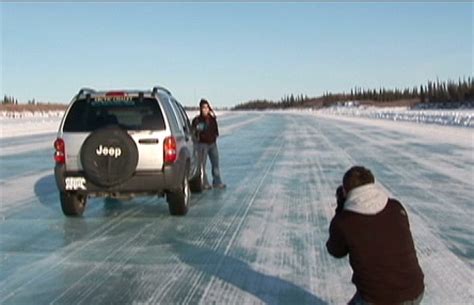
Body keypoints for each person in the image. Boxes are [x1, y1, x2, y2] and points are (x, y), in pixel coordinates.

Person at [326, 166, 424, 305]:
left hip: (378, 299)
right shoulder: (396, 206)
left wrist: (341, 211)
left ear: (346, 191)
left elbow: (335, 250)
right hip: (415, 291)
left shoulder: (344, 222)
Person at [192, 99, 226, 190]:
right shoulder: (197, 120)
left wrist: (214, 136)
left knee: (215, 164)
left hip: (212, 144)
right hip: (202, 145)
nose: (205, 110)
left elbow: (216, 130)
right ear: (200, 109)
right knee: (202, 165)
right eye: (203, 108)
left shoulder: (212, 119)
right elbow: (193, 132)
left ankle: (217, 182)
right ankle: (204, 183)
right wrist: (198, 137)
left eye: (206, 107)